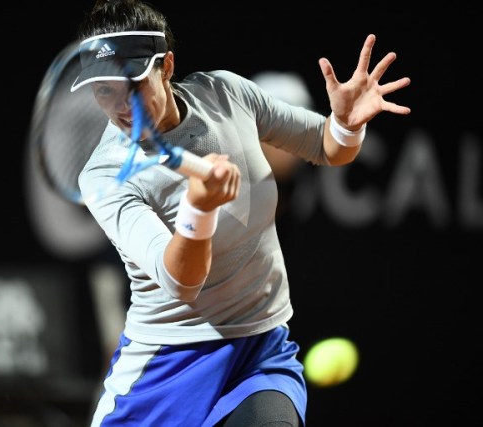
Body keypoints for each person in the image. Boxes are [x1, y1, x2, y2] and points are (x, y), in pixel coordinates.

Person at [70, 1, 411, 426]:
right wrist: (199, 209)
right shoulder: (104, 174)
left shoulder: (227, 95)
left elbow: (326, 146)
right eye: (105, 90)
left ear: (167, 66)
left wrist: (346, 124)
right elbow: (181, 281)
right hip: (165, 366)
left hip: (259, 351)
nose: (123, 106)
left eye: (133, 84)